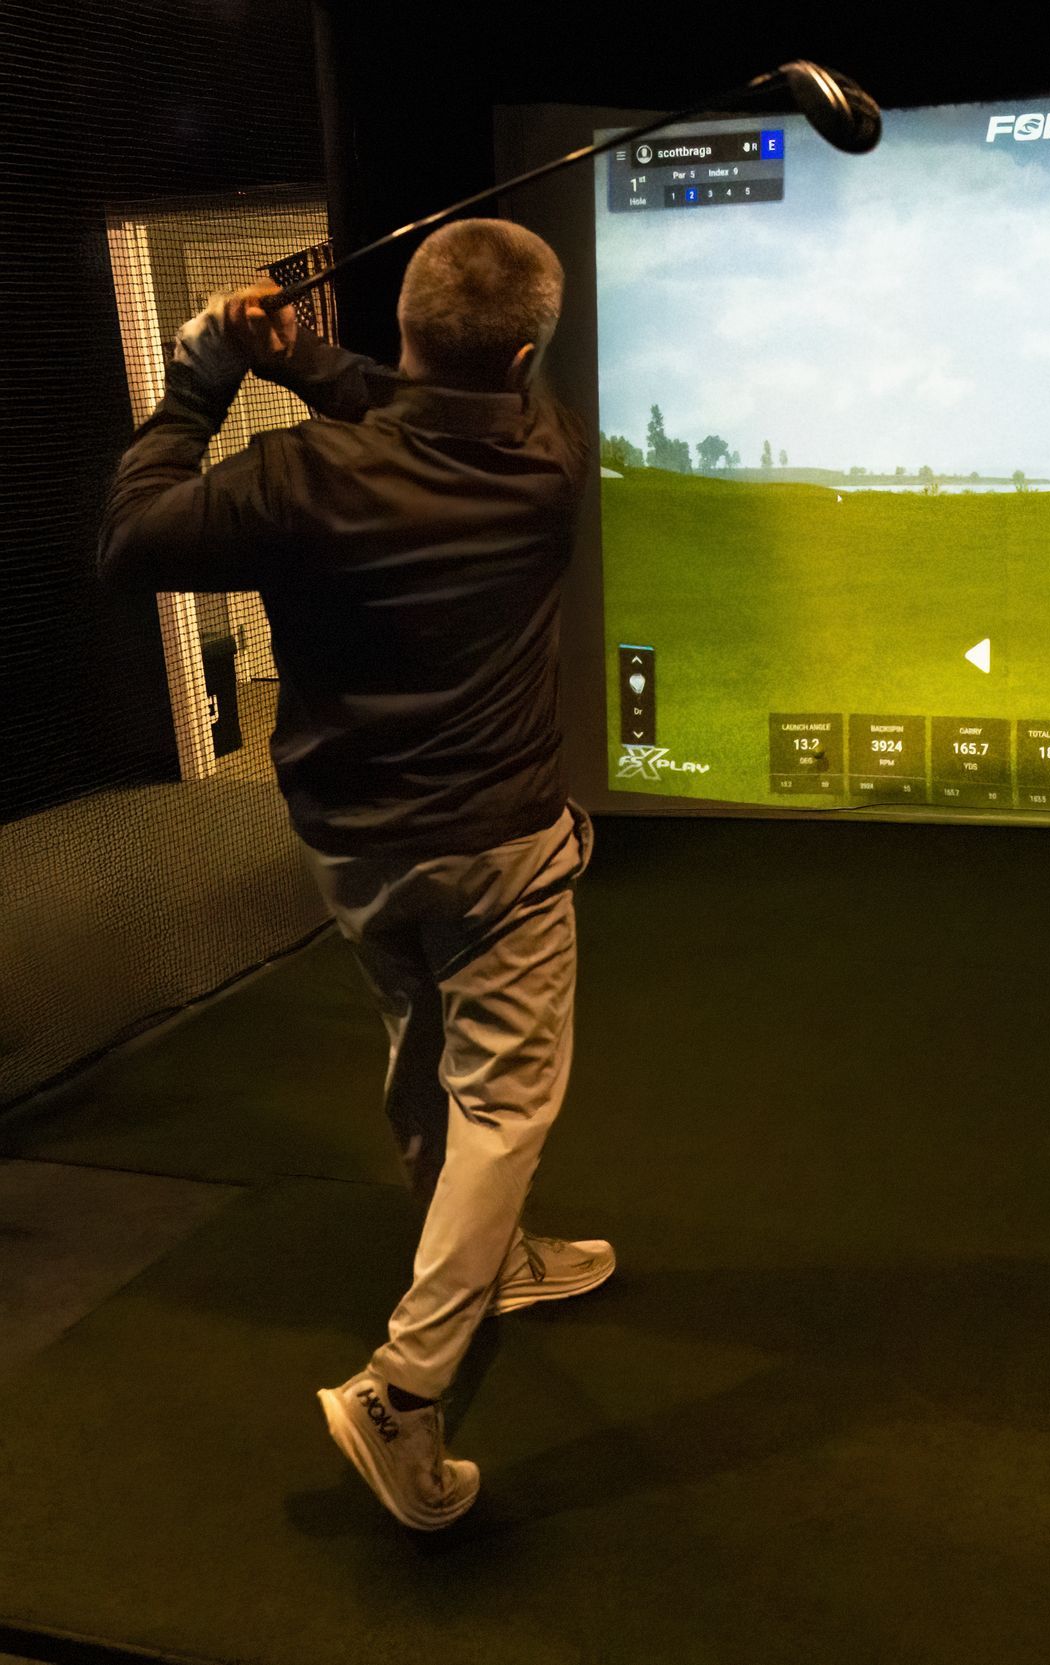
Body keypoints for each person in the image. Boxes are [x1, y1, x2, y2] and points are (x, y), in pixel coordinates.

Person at [98, 219, 612, 1531]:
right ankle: (402, 1389)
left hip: (352, 845)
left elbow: (134, 535)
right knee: (503, 1103)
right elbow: (435, 410)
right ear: (522, 352)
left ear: (404, 328)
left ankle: (488, 1263)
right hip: (498, 846)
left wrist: (210, 375)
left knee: (422, 1039)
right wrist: (300, 360)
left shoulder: (302, 479)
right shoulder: (550, 458)